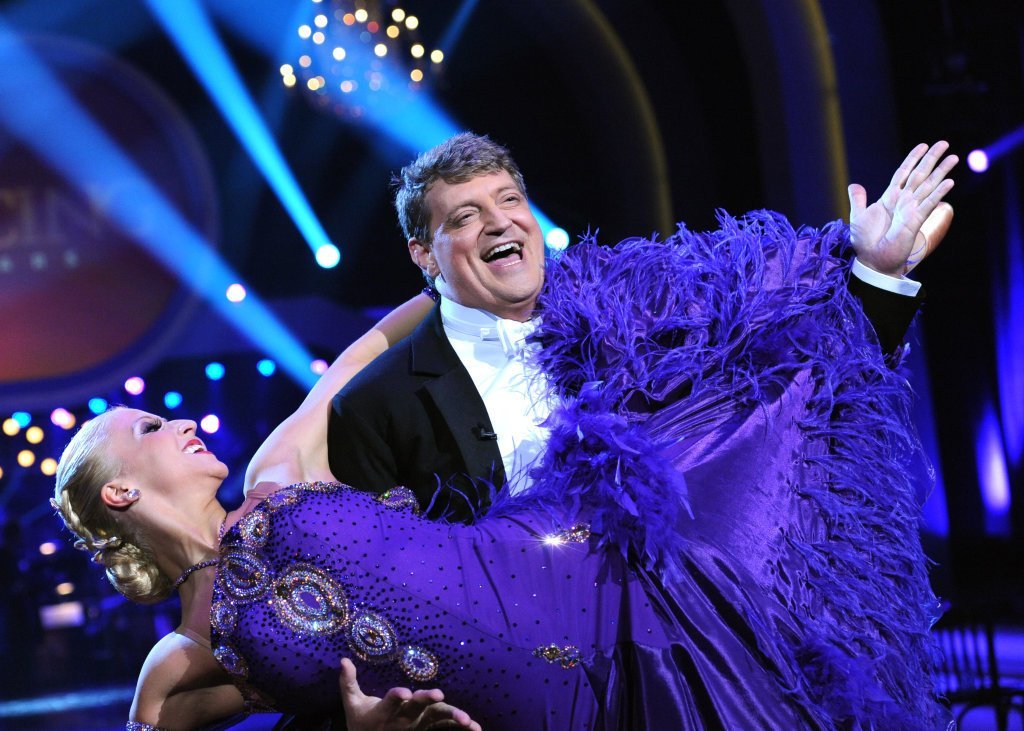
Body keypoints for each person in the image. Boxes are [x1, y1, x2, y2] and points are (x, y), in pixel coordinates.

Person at [323, 134, 958, 726]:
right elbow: (366, 590)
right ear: (424, 254)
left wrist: (876, 274)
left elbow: (792, 385)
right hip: (510, 704)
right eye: (465, 216)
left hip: (682, 673)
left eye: (509, 200)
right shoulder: (376, 405)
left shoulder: (641, 315)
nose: (499, 222)